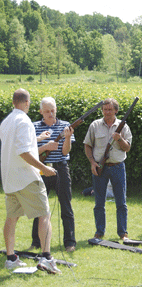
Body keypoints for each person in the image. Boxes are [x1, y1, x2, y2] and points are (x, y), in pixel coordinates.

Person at [0, 88, 61, 274]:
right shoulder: (25, 121)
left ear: (13, 103)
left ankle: (11, 258)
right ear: (27, 103)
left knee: (12, 218)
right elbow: (23, 151)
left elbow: (17, 144)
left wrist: (38, 139)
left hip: (9, 179)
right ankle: (46, 257)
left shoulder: (6, 122)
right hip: (26, 177)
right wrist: (44, 169)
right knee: (44, 214)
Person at [30, 97, 76, 253]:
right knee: (39, 207)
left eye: (53, 110)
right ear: (41, 111)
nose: (50, 114)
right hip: (40, 169)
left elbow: (65, 152)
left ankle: (70, 242)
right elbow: (28, 152)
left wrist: (68, 136)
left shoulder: (65, 126)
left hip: (60, 168)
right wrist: (45, 147)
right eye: (47, 111)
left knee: (66, 205)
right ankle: (36, 242)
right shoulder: (34, 127)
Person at [83, 98, 132, 241]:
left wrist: (119, 139)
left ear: (116, 110)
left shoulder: (123, 126)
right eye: (105, 109)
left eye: (110, 109)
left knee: (121, 202)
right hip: (99, 167)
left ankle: (123, 233)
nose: (107, 112)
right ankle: (99, 232)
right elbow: (87, 145)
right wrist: (92, 162)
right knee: (99, 202)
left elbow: (127, 148)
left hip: (118, 166)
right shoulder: (95, 125)